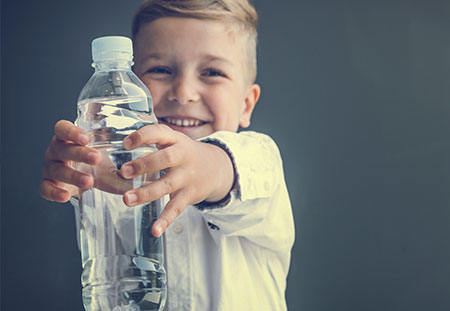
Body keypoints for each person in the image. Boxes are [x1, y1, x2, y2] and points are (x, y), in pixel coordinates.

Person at [40, 0, 295, 310]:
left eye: (212, 72)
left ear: (246, 104)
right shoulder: (121, 173)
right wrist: (82, 176)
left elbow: (218, 168)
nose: (183, 91)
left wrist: (205, 162)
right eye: (161, 70)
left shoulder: (259, 159)